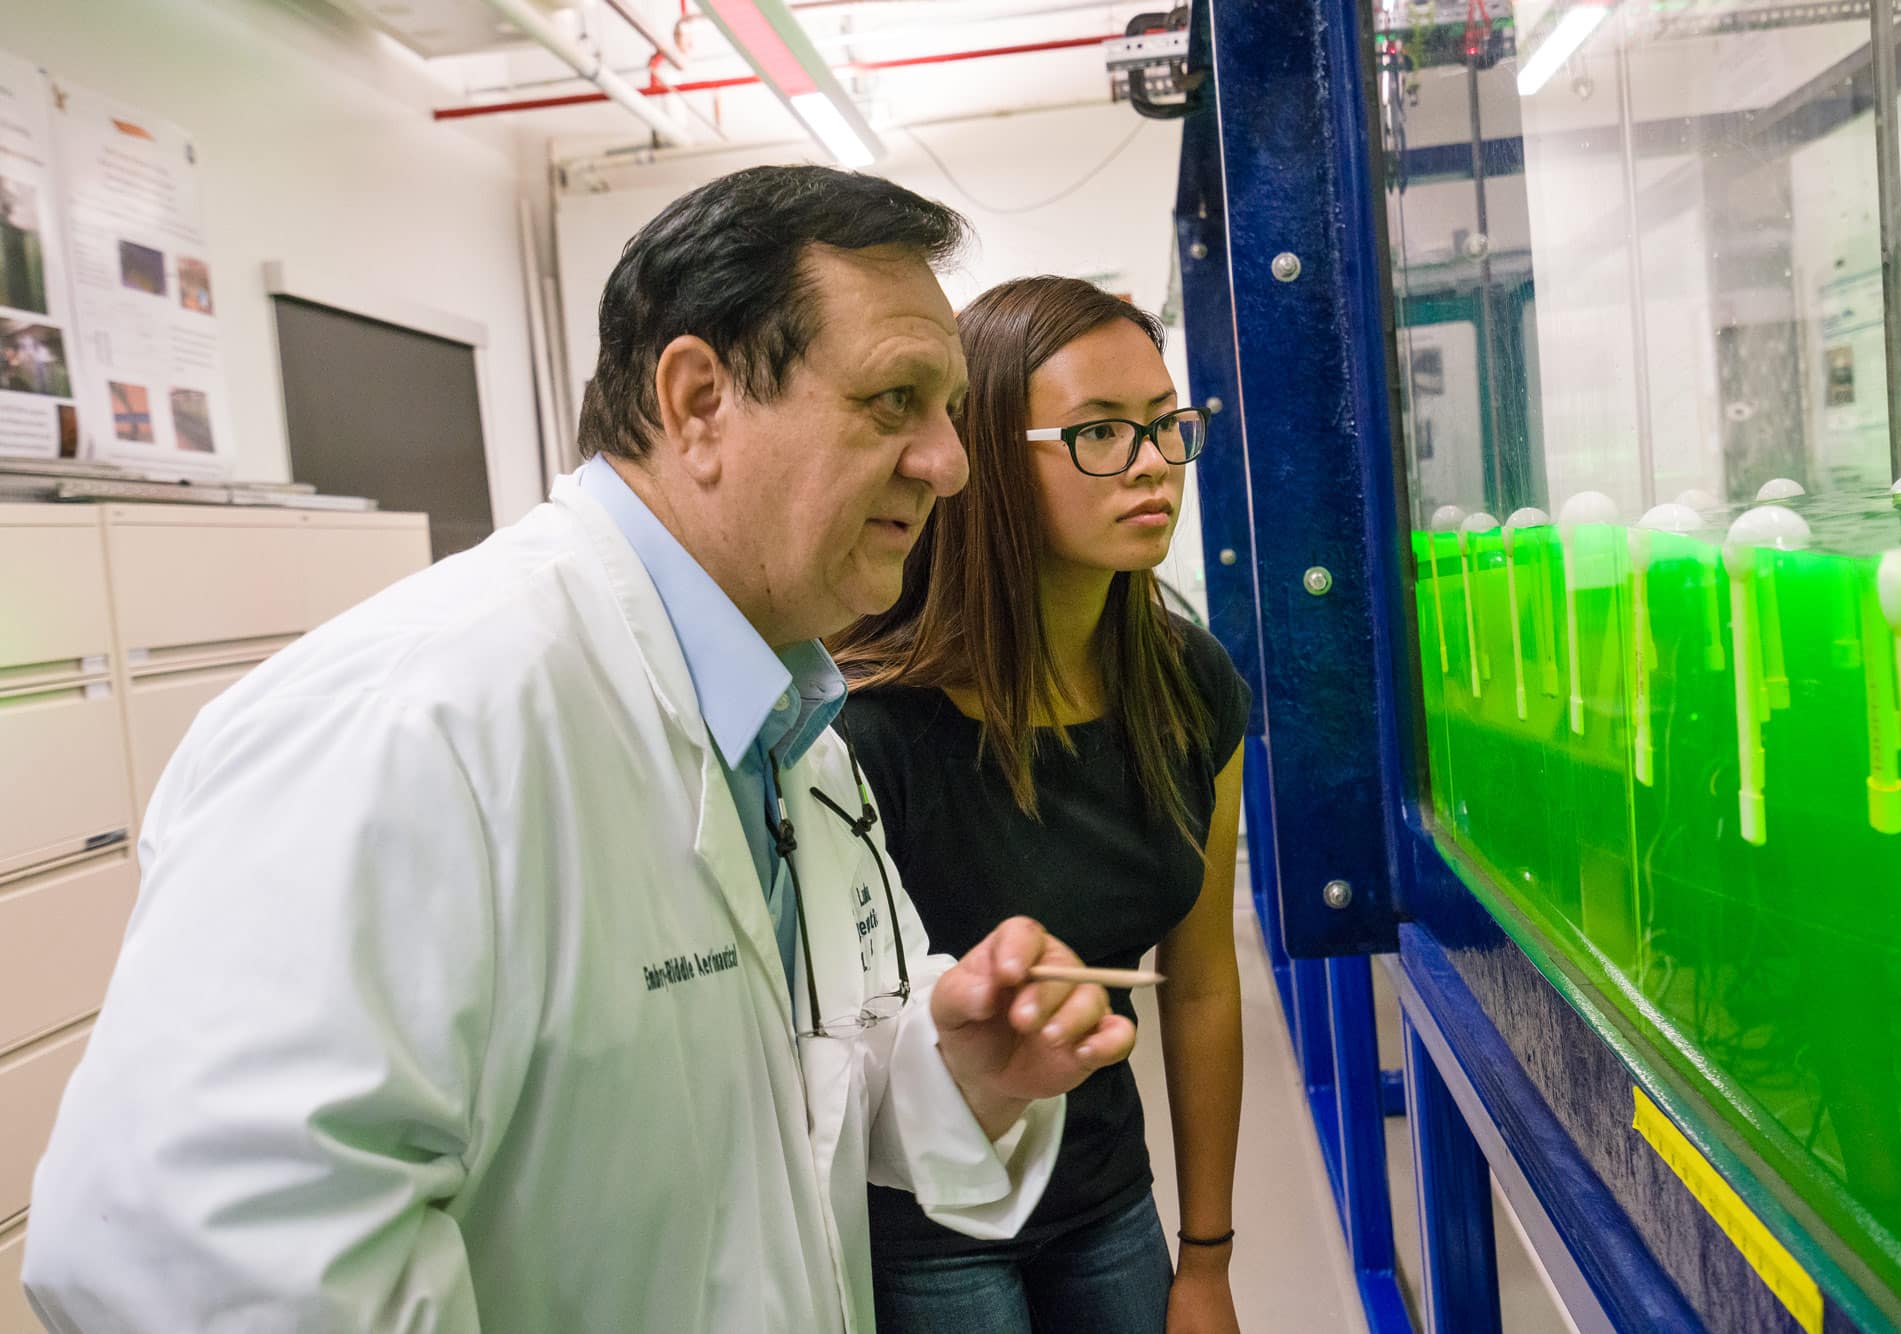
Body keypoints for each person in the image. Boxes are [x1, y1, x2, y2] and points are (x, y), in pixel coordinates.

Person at [23, 168, 1136, 1334]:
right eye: (894, 399)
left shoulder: (788, 720)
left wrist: (958, 1076)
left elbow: (773, 1097)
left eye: (948, 408)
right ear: (699, 399)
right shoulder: (409, 721)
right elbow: (189, 1262)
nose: (949, 461)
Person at [833, 276, 1250, 1334]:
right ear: (981, 459)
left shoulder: (1187, 684)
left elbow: (1197, 984)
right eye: (1098, 432)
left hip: (1105, 1195)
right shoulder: (866, 729)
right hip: (921, 1231)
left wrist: (1205, 1261)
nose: (1151, 462)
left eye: (1164, 426)